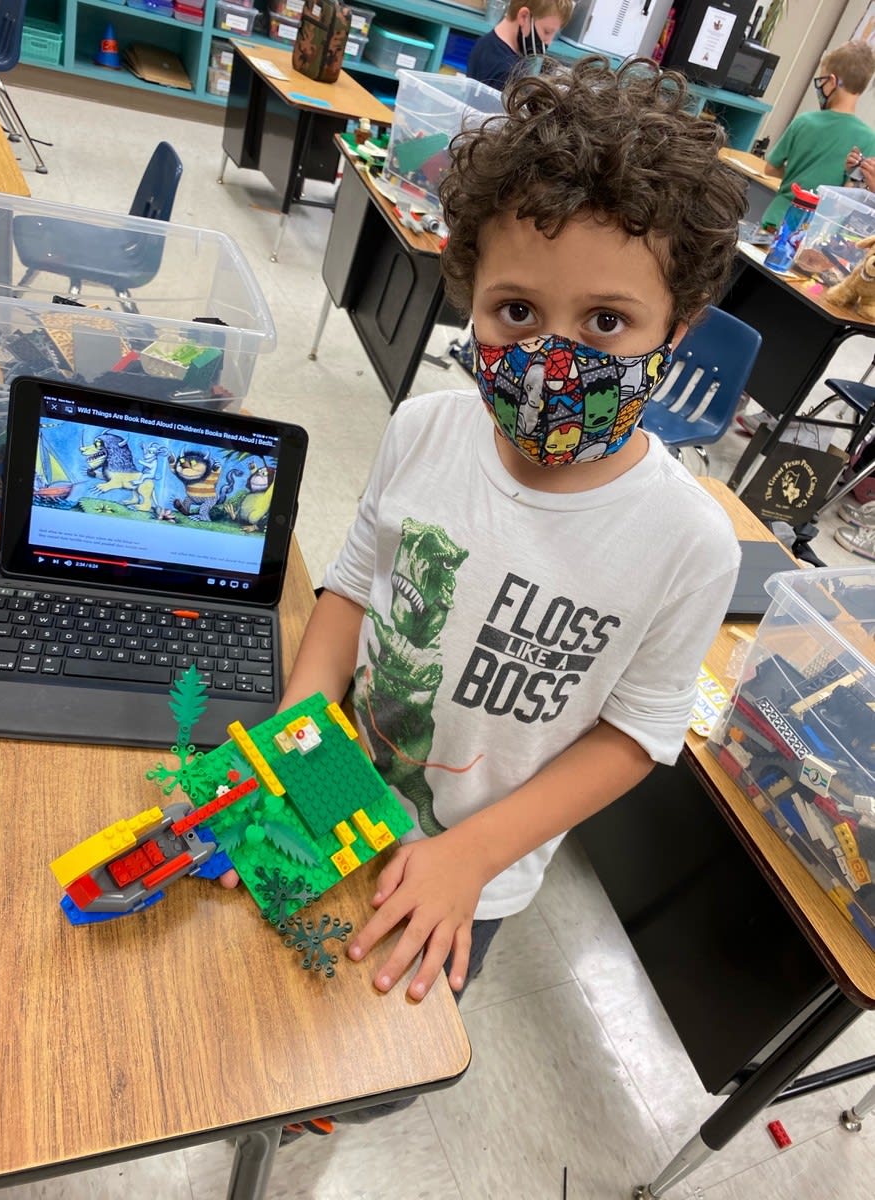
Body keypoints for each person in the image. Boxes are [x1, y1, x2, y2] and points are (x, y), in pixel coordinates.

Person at [223, 53, 745, 1140]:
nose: (552, 359)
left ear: (678, 329)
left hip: (482, 862)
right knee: (259, 986)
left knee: (378, 1057)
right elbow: (351, 592)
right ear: (471, 294)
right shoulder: (426, 430)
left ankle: (337, 1115)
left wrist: (471, 854)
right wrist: (297, 727)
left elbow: (636, 736)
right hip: (337, 781)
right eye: (516, 310)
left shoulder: (690, 543)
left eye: (606, 323)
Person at [761, 39, 875, 230]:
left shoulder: (804, 121)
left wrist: (798, 177)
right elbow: (847, 196)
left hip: (777, 217)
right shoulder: (868, 139)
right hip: (815, 229)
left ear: (832, 82)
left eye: (822, 80)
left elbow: (770, 169)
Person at [466, 1, 574, 91]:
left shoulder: (485, 42)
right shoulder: (507, 73)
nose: (548, 42)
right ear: (523, 16)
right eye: (547, 32)